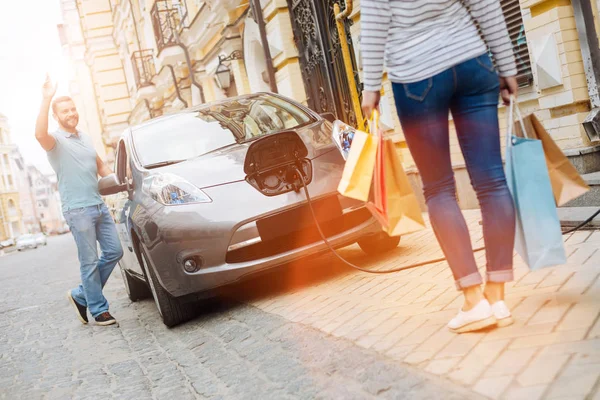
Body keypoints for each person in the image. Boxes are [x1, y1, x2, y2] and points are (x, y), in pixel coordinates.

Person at [361, 0, 518, 333]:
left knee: (438, 188)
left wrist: (370, 87)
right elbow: (486, 6)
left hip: (417, 77)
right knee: (492, 182)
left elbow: (374, 23)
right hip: (472, 63)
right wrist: (507, 67)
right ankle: (498, 296)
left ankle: (474, 301)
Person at [35, 75, 123, 326]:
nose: (71, 113)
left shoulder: (84, 138)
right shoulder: (55, 141)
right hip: (78, 210)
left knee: (115, 251)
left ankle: (81, 294)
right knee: (89, 261)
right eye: (65, 111)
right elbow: (38, 134)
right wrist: (46, 98)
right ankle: (98, 309)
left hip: (98, 206)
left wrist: (123, 183)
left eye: (73, 109)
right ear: (56, 116)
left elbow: (101, 166)